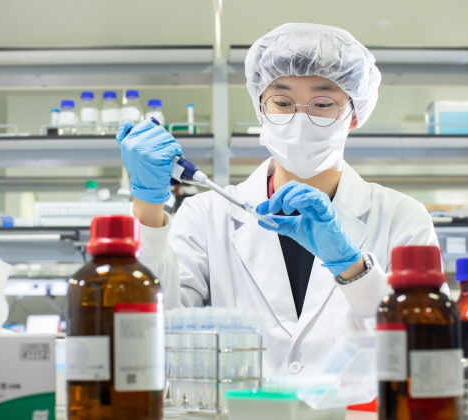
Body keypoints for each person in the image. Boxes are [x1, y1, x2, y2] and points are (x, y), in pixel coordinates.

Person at [116, 23, 438, 377]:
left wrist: (352, 268)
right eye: (282, 102)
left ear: (355, 114)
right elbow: (155, 331)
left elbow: (426, 348)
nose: (300, 117)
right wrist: (147, 206)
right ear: (260, 110)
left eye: (323, 102)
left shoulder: (403, 217)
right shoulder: (206, 214)